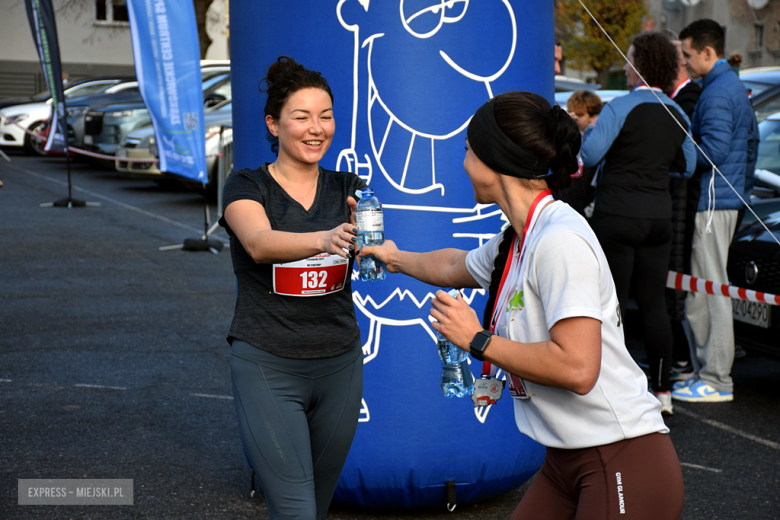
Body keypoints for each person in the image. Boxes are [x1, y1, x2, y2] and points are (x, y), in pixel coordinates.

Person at [361, 91, 684, 519]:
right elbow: (456, 264)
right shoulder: (518, 237)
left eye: (468, 152)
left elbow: (577, 369)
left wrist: (477, 339)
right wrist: (394, 257)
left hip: (620, 457)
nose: (463, 164)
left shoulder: (559, 240)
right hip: (564, 462)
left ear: (494, 161)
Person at [218, 56, 367, 519]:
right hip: (267, 365)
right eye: (301, 117)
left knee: (316, 509)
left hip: (339, 364)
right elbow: (260, 245)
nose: (315, 128)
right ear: (273, 124)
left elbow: (373, 249)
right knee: (296, 511)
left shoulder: (350, 188)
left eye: (325, 116)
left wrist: (376, 249)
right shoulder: (246, 184)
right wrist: (324, 238)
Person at [580, 32, 696, 415]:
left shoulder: (621, 106)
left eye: (628, 60)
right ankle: (663, 392)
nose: (625, 66)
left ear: (640, 65)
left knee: (612, 306)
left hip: (618, 215)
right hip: (658, 218)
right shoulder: (676, 111)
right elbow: (689, 166)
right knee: (653, 305)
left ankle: (615, 389)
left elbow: (592, 153)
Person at [672, 19, 758, 403]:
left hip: (714, 202)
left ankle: (717, 380)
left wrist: (680, 148)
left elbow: (713, 152)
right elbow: (750, 143)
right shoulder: (727, 86)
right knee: (705, 289)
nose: (685, 63)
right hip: (724, 199)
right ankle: (709, 373)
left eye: (688, 55)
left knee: (710, 289)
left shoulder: (718, 92)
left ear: (708, 52)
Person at [665, 39, 702, 381]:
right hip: (675, 203)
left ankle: (682, 362)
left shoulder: (687, 101)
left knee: (677, 284)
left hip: (683, 206)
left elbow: (688, 162)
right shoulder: (678, 101)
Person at [556, 90, 602, 216]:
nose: (574, 117)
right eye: (571, 112)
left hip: (584, 202)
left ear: (594, 117)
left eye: (580, 115)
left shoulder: (598, 141)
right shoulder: (565, 136)